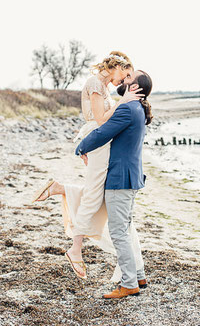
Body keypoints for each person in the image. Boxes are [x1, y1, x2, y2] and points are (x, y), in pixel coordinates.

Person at [31, 51, 144, 280]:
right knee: (94, 193)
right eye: (125, 75)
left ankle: (60, 189)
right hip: (98, 138)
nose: (124, 82)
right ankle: (75, 249)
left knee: (98, 192)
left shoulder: (103, 86)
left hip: (100, 140)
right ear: (118, 67)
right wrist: (123, 102)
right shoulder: (95, 83)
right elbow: (101, 120)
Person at [75, 70, 153, 299]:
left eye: (130, 77)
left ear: (135, 87)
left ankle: (129, 283)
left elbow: (102, 133)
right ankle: (138, 275)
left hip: (121, 179)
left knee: (118, 232)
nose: (125, 78)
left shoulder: (128, 109)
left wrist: (80, 147)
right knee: (125, 229)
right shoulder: (136, 109)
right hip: (130, 177)